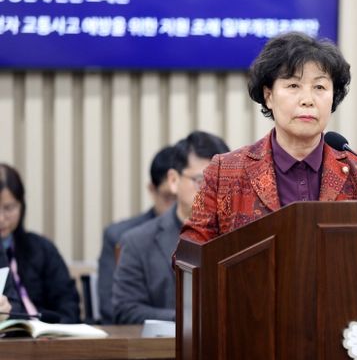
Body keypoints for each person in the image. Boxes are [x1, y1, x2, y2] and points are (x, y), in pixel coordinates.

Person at [181, 32, 357, 243]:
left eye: (319, 87)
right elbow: (191, 255)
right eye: (294, 85)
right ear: (269, 96)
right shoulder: (224, 173)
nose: (307, 100)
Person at [112, 131, 229, 324]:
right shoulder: (138, 242)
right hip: (167, 341)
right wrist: (188, 320)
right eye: (201, 181)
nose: (214, 191)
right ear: (174, 180)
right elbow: (126, 310)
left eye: (222, 181)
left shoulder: (243, 236)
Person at [97, 145, 177, 324]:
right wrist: (185, 319)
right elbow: (111, 308)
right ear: (152, 190)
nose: (176, 206)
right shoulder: (121, 236)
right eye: (169, 198)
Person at [0, 163, 80, 323]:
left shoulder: (42, 249)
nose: (1, 218)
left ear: (21, 206)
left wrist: (57, 329)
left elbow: (68, 303)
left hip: (50, 334)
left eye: (8, 208)